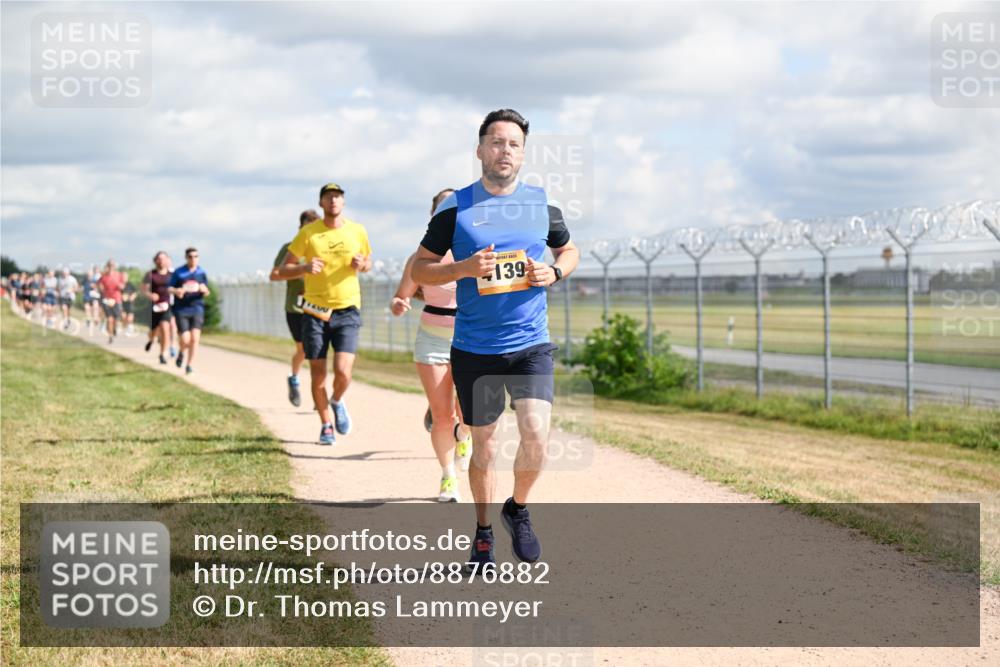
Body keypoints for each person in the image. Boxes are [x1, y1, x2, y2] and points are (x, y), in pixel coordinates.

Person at [412, 109, 579, 571]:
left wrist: (555, 271)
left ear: (522, 154)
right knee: (484, 447)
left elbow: (569, 249)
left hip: (530, 342)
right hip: (475, 348)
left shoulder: (541, 205)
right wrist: (463, 268)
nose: (505, 151)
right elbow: (419, 269)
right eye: (497, 142)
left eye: (514, 144)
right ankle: (483, 533)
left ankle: (517, 509)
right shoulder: (456, 208)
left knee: (536, 436)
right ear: (480, 149)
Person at [390, 188, 472, 502]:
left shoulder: (473, 251)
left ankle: (464, 435)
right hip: (432, 340)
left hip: (469, 338)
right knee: (441, 415)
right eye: (443, 207)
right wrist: (399, 304)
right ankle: (448, 477)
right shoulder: (421, 258)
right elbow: (402, 295)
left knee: (468, 414)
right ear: (435, 215)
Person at [274, 183, 372, 445]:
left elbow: (368, 263)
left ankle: (337, 400)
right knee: (318, 374)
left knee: (343, 372)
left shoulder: (357, 231)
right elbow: (283, 270)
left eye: (338, 197)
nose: (333, 201)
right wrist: (304, 267)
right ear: (321, 203)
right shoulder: (308, 234)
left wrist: (362, 264)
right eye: (328, 197)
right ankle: (326, 424)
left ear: (343, 202)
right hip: (315, 311)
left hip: (347, 309)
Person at [269, 210, 319, 407]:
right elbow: (274, 275)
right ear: (300, 227)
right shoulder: (289, 249)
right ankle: (294, 378)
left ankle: (319, 392)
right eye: (306, 226)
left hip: (319, 306)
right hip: (295, 307)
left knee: (318, 350)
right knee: (305, 349)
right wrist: (299, 272)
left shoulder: (321, 249)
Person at [168, 247, 210, 375]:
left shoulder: (201, 272)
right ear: (186, 258)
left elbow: (207, 291)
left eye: (196, 256)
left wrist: (205, 290)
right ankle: (181, 352)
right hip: (182, 309)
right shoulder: (179, 272)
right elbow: (169, 288)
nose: (193, 259)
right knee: (186, 339)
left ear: (198, 257)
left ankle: (189, 365)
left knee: (195, 339)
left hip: (197, 308)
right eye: (190, 256)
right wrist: (177, 291)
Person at [142, 251, 174, 364]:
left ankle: (162, 354)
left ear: (167, 260)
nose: (161, 261)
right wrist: (150, 295)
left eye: (163, 259)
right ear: (155, 261)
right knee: (153, 331)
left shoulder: (171, 275)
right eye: (159, 259)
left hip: (166, 306)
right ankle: (151, 340)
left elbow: (176, 288)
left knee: (165, 328)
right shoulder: (150, 274)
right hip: (153, 306)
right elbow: (144, 289)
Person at [97, 260, 127, 343]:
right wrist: (101, 288)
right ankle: (110, 336)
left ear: (114, 266)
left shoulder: (119, 275)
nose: (111, 267)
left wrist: (119, 285)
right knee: (110, 319)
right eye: (109, 265)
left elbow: (123, 287)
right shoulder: (103, 276)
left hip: (117, 299)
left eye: (112, 265)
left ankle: (114, 329)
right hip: (107, 299)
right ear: (107, 266)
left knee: (116, 318)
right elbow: (99, 286)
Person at [81, 266, 102, 335]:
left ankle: (96, 318)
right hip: (86, 297)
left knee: (95, 307)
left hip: (93, 297)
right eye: (88, 275)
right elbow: (80, 287)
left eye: (90, 275)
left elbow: (99, 288)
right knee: (87, 308)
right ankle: (88, 319)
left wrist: (95, 287)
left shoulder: (95, 281)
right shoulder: (84, 281)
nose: (89, 276)